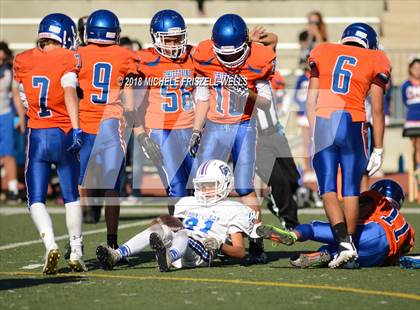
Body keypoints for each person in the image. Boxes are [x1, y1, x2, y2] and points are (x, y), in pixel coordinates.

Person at [189, 14, 276, 264]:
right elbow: (203, 98)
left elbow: (267, 103)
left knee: (245, 188)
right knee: (203, 186)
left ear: (245, 46)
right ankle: (205, 240)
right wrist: (196, 130)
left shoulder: (258, 59)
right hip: (215, 128)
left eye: (233, 54)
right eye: (223, 54)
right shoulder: (205, 57)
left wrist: (247, 93)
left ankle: (257, 244)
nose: (228, 60)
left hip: (242, 128)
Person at [306, 23, 391, 268]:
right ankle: (350, 244)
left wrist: (315, 132)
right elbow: (377, 110)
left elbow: (311, 100)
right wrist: (378, 148)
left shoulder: (322, 51)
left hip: (324, 121)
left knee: (328, 188)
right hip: (352, 123)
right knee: (351, 189)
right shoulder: (376, 58)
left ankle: (343, 244)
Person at [13, 13, 86, 274]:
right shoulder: (67, 58)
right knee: (70, 196)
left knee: (36, 198)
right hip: (63, 131)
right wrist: (77, 128)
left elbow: (22, 98)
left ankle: (50, 244)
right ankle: (76, 250)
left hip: (37, 134)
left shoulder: (22, 60)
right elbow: (68, 91)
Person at [96, 160, 257, 271]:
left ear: (226, 185)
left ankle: (169, 257)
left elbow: (240, 252)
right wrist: (163, 223)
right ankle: (116, 255)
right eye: (202, 185)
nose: (205, 189)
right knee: (160, 228)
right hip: (181, 244)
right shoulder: (189, 201)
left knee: (183, 233)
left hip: (202, 252)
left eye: (210, 185)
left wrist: (220, 246)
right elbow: (175, 225)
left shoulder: (233, 209)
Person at [77, 9, 140, 248]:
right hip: (113, 125)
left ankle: (76, 240)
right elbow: (132, 101)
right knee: (111, 187)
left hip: (84, 124)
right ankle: (112, 242)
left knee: (80, 184)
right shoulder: (126, 55)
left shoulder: (78, 55)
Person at [257, 179, 415, 269]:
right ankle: (325, 255)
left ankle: (291, 235)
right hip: (378, 257)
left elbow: (353, 212)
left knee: (317, 229)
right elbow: (404, 253)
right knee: (343, 252)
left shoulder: (375, 200)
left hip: (372, 231)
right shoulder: (405, 225)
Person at [132, 10, 196, 214]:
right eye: (168, 40)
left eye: (178, 39)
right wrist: (141, 134)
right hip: (160, 130)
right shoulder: (144, 61)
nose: (174, 45)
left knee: (195, 186)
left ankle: (194, 234)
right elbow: (128, 104)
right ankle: (180, 238)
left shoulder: (193, 56)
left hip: (188, 128)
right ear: (156, 38)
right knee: (176, 186)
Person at [0, 42, 25, 203]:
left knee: (8, 154)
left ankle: (13, 189)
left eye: (2, 59)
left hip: (5, 114)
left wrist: (21, 116)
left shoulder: (9, 72)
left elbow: (16, 95)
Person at [401, 59, 420, 173]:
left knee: (419, 144)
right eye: (415, 68)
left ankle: (418, 167)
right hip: (412, 118)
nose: (417, 71)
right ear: (410, 69)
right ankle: (414, 169)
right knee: (414, 144)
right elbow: (405, 100)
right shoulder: (406, 85)